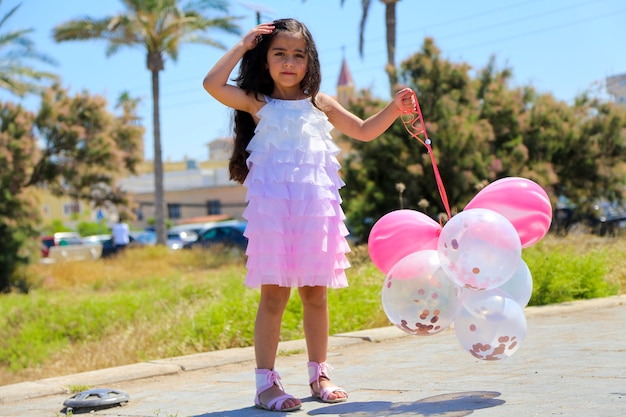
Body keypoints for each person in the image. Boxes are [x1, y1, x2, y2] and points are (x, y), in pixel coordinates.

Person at [202, 18, 416, 412]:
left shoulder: (320, 102)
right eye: (279, 54)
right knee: (275, 296)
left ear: (310, 61)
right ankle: (265, 384)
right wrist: (242, 45)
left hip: (317, 211)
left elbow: (365, 131)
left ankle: (320, 374)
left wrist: (394, 107)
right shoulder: (257, 101)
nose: (288, 62)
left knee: (316, 295)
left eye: (298, 55)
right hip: (273, 213)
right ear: (263, 60)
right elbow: (212, 85)